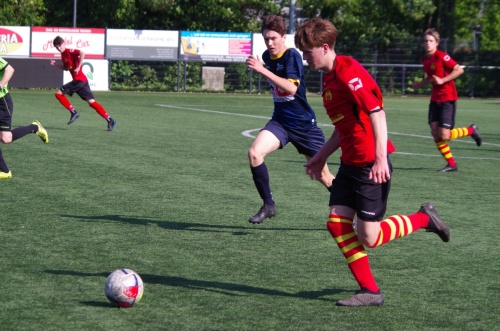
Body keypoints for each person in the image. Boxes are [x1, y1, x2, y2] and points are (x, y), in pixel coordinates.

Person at [294, 18, 450, 307]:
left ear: (325, 47)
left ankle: (425, 219)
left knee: (369, 237)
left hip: (369, 164)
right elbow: (345, 128)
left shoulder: (348, 73)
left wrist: (380, 159)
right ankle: (370, 290)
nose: (305, 58)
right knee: (337, 223)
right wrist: (320, 157)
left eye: (307, 52)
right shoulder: (328, 78)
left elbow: (377, 113)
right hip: (349, 163)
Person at [245, 15, 334, 224]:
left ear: (284, 37)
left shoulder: (292, 55)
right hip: (281, 122)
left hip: (304, 126)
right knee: (254, 153)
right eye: (266, 38)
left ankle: (353, 211)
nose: (270, 43)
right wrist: (263, 67)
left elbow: (292, 88)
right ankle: (268, 205)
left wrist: (263, 70)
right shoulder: (267, 57)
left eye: (274, 38)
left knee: (324, 177)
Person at [412, 28, 481, 172]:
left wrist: (443, 80)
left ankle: (471, 130)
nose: (427, 43)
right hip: (435, 100)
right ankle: (451, 164)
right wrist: (420, 84)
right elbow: (431, 78)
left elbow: (459, 70)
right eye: (425, 41)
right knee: (435, 132)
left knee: (444, 135)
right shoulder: (426, 60)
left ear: (436, 43)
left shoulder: (442, 56)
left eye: (431, 41)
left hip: (447, 99)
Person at [50, 36, 117, 131]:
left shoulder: (69, 51)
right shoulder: (63, 55)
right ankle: (110, 120)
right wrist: (56, 65)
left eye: (59, 45)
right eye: (56, 47)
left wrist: (78, 66)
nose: (58, 48)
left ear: (64, 43)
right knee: (92, 103)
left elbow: (82, 53)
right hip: (82, 81)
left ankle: (73, 112)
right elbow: (66, 68)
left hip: (79, 80)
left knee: (58, 94)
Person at [0, 57, 49, 179]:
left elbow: (10, 69)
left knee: (6, 139)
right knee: (5, 138)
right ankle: (4, 171)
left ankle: (35, 127)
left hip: (2, 102)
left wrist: (0, 84)